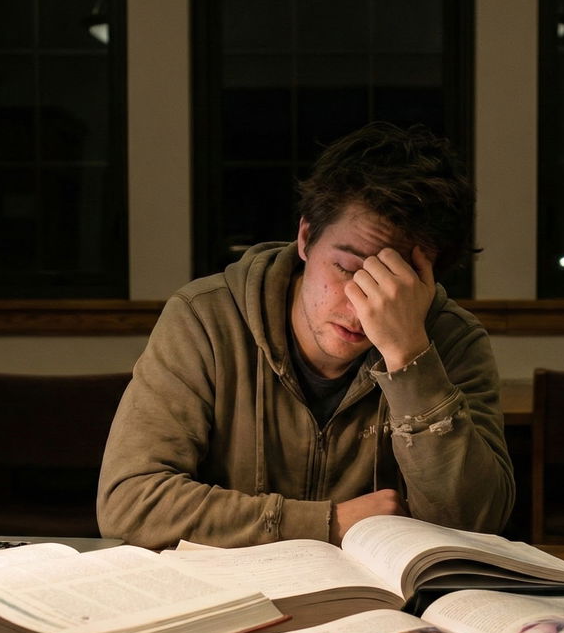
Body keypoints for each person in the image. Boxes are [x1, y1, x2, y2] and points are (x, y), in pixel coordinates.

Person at [97, 121, 513, 548]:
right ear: (306, 237)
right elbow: (129, 505)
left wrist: (409, 355)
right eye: (347, 269)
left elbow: (474, 525)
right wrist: (328, 523)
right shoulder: (204, 319)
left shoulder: (453, 339)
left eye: (395, 284)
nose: (361, 306)